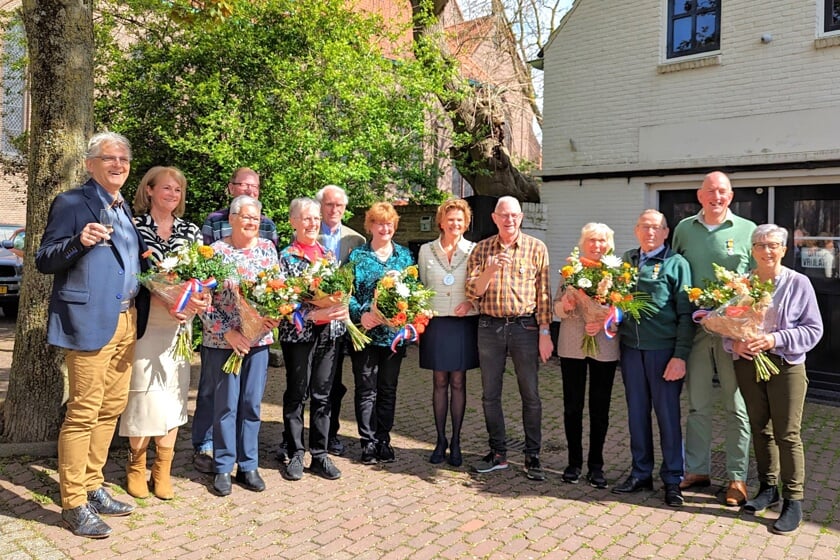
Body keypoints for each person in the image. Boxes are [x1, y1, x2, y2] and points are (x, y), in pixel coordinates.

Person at [35, 132, 150, 539]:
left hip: (126, 321)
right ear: (90, 164)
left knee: (111, 407)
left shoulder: (123, 209)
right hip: (88, 320)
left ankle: (93, 485)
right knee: (84, 410)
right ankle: (74, 503)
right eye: (109, 158)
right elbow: (45, 259)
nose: (118, 164)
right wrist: (78, 243)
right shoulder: (72, 202)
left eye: (124, 158)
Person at [120, 166, 209, 500]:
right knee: (142, 391)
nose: (173, 195)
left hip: (178, 323)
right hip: (146, 320)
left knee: (174, 391)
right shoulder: (134, 226)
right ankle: (136, 465)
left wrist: (198, 299)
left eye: (178, 191)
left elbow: (202, 275)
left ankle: (163, 469)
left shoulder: (191, 231)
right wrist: (159, 293)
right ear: (150, 190)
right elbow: (131, 272)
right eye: (167, 189)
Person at [727, 225, 823, 534]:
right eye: (760, 245)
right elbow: (726, 323)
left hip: (786, 366)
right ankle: (768, 488)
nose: (766, 250)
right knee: (760, 427)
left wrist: (774, 340)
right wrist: (735, 343)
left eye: (773, 245)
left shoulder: (799, 283)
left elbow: (813, 329)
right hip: (747, 364)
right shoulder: (741, 284)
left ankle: (793, 499)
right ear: (752, 250)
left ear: (783, 249)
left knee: (787, 433)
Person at [672, 170, 756, 506]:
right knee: (697, 404)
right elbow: (675, 268)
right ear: (700, 195)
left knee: (737, 406)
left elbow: (756, 281)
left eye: (722, 192)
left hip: (733, 334)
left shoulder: (747, 230)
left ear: (731, 196)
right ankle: (697, 469)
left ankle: (737, 478)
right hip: (695, 330)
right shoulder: (683, 229)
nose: (716, 197)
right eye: (710, 191)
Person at [192, 167, 279, 474]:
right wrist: (229, 333)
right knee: (226, 406)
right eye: (245, 217)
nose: (251, 223)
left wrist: (271, 319)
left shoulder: (268, 250)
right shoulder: (215, 252)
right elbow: (202, 302)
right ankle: (223, 466)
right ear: (231, 219)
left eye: (255, 219)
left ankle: (249, 465)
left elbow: (280, 291)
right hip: (223, 342)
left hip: (258, 342)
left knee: (252, 405)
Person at [465, 196, 553, 481]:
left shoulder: (536, 248)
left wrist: (544, 332)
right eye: (504, 215)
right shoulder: (481, 249)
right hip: (489, 327)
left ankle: (533, 455)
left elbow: (543, 294)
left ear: (521, 217)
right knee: (490, 394)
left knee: (531, 394)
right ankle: (498, 453)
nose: (509, 220)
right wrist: (491, 268)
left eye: (514, 215)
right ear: (494, 218)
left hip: (525, 327)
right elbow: (473, 292)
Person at [611, 210, 694, 507]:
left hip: (664, 352)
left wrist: (680, 356)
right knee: (636, 415)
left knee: (668, 417)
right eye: (645, 227)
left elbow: (687, 316)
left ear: (666, 232)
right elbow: (616, 300)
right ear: (636, 231)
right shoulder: (626, 260)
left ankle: (673, 479)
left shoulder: (676, 264)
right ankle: (640, 473)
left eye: (656, 227)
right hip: (632, 350)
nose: (650, 232)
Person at [278, 197, 349, 481]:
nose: (312, 223)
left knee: (323, 394)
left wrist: (340, 305)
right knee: (297, 393)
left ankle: (320, 454)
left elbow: (339, 291)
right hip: (299, 333)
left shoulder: (328, 256)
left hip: (329, 334)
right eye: (306, 218)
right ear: (293, 221)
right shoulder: (286, 256)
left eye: (316, 218)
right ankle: (295, 451)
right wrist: (311, 314)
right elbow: (283, 300)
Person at [552, 223, 619, 489]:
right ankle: (573, 462)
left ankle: (596, 465)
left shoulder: (617, 273)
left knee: (600, 408)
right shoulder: (570, 270)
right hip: (572, 345)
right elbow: (556, 305)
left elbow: (621, 310)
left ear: (609, 244)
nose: (597, 245)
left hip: (604, 346)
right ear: (583, 243)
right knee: (572, 406)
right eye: (592, 240)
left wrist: (604, 321)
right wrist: (565, 305)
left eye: (602, 240)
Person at [347, 202, 415, 464]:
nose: (384, 228)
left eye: (389, 223)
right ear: (370, 226)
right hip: (365, 333)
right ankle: (367, 442)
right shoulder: (358, 256)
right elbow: (346, 294)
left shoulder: (405, 257)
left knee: (388, 389)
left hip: (393, 337)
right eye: (379, 222)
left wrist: (402, 316)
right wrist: (361, 313)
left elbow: (414, 293)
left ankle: (383, 439)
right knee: (366, 389)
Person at [417, 199, 478, 467]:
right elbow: (419, 286)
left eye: (460, 220)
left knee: (458, 382)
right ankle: (440, 440)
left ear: (466, 224)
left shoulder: (474, 250)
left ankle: (456, 442)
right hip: (437, 323)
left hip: (463, 322)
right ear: (441, 222)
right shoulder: (426, 250)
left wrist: (472, 303)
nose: (455, 224)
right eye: (450, 219)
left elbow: (480, 287)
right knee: (439, 382)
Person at [316, 184, 366, 457]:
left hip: (342, 320)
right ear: (320, 207)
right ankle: (299, 436)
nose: (334, 210)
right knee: (308, 381)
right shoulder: (308, 233)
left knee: (333, 382)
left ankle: (330, 434)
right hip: (312, 318)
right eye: (329, 204)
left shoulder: (355, 240)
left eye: (339, 205)